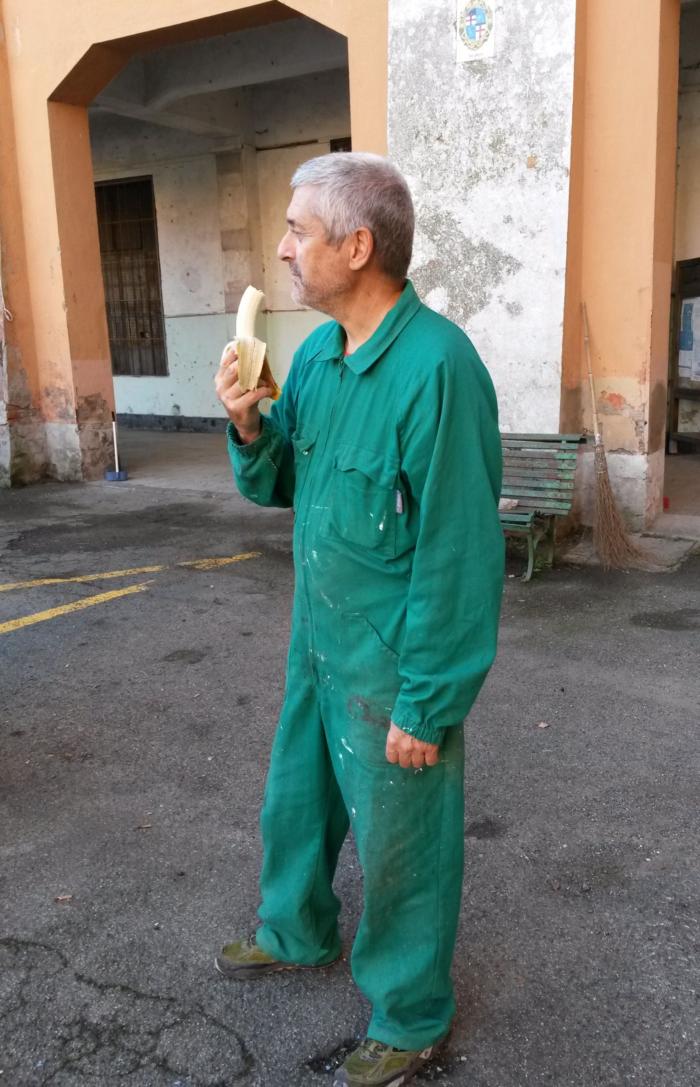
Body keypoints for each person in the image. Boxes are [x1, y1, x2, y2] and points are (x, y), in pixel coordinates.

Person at [214, 152, 504, 1087]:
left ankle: (411, 1013)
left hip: (392, 660)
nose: (283, 249)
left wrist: (428, 702)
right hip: (317, 637)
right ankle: (294, 928)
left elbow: (459, 554)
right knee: (294, 801)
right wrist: (249, 426)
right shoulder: (316, 359)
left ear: (357, 246)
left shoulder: (438, 369)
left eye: (298, 230)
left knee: (404, 845)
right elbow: (280, 485)